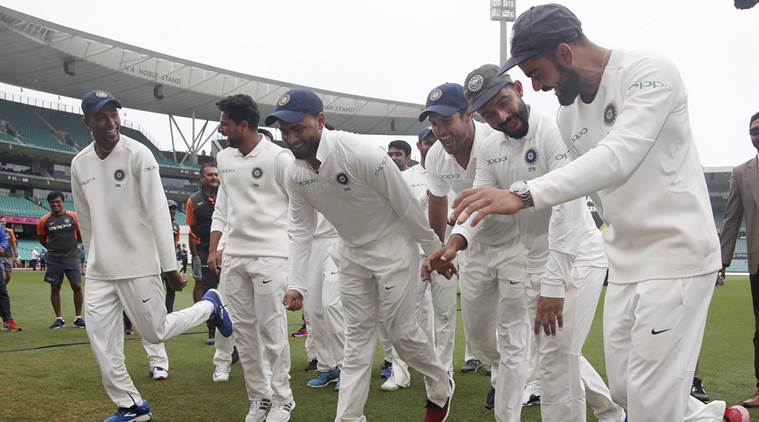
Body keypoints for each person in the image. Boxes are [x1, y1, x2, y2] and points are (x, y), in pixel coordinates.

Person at [454, 4, 742, 421]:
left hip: (678, 255)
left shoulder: (649, 72)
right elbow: (587, 187)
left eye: (537, 74)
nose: (536, 88)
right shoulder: (569, 116)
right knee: (625, 388)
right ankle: (713, 418)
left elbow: (619, 156)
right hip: (624, 261)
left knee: (649, 403)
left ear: (565, 55)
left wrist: (524, 194)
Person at [428, 64, 624, 422]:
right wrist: (455, 243)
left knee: (556, 364)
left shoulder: (552, 129)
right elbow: (480, 203)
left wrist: (553, 286)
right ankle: (614, 414)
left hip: (576, 259)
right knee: (552, 358)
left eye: (504, 102)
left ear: (518, 88)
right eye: (489, 113)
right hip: (534, 260)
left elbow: (567, 203)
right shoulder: (490, 146)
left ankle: (624, 413)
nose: (502, 117)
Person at [271, 87, 455, 422]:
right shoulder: (294, 172)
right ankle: (349, 418)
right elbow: (300, 229)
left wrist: (435, 252)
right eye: (285, 132)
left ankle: (440, 383)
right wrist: (297, 284)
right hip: (351, 253)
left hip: (394, 249)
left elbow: (404, 203)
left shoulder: (358, 152)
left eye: (298, 129)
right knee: (356, 341)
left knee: (401, 334)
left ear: (321, 121)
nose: (291, 138)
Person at [72, 89, 232, 422]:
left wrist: (170, 267)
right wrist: (91, 257)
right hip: (101, 269)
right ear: (87, 120)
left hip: (139, 264)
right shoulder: (80, 163)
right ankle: (131, 406)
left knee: (155, 332)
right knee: (101, 341)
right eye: (101, 116)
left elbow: (160, 212)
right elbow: (85, 219)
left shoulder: (138, 154)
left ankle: (211, 304)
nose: (110, 122)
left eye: (114, 113)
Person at [418, 82, 529, 417]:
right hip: (474, 250)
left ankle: (511, 383)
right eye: (433, 124)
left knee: (514, 343)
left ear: (467, 115)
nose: (439, 131)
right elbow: (437, 204)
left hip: (516, 246)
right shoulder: (436, 155)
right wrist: (438, 249)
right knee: (480, 341)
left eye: (446, 121)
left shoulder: (495, 143)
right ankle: (515, 369)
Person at [207, 93, 295, 422]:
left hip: (271, 256)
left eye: (225, 123)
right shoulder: (226, 158)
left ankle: (283, 399)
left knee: (272, 331)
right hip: (236, 257)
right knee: (243, 334)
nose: (220, 128)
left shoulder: (279, 158)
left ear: (243, 125)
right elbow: (223, 207)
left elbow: (299, 208)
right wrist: (214, 248)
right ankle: (259, 397)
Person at [381, 137, 458, 394]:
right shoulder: (406, 176)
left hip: (446, 252)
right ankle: (400, 370)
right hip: (412, 252)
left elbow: (457, 213)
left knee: (445, 313)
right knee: (405, 313)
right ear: (418, 146)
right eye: (424, 142)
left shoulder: (452, 172)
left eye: (432, 141)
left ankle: (445, 369)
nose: (428, 146)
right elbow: (396, 211)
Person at [719, 111, 759, 408]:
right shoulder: (741, 172)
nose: (756, 134)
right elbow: (731, 219)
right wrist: (722, 261)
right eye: (752, 131)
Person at [37, 191, 85, 329]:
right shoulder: (43, 221)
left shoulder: (73, 216)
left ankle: (78, 318)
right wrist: (54, 249)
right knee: (55, 288)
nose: (55, 204)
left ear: (63, 202)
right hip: (54, 260)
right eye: (52, 202)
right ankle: (59, 319)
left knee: (76, 286)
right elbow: (42, 240)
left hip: (72, 258)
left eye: (58, 201)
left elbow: (80, 235)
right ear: (49, 203)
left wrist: (71, 248)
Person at [186, 163, 220, 344]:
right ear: (202, 178)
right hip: (207, 252)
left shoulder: (226, 195)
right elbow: (193, 228)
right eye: (210, 175)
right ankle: (212, 331)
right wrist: (201, 252)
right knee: (210, 291)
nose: (214, 177)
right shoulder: (194, 200)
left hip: (228, 250)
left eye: (216, 174)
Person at [0, 215, 20, 331]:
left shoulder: (4, 231)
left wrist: (2, 246)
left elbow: (3, 239)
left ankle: (8, 320)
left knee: (2, 292)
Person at [165, 200, 180, 313]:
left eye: (174, 209)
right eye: (170, 208)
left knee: (171, 290)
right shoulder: (159, 222)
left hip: (171, 262)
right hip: (159, 262)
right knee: (158, 290)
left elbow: (175, 242)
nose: (172, 211)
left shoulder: (176, 226)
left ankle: (169, 313)